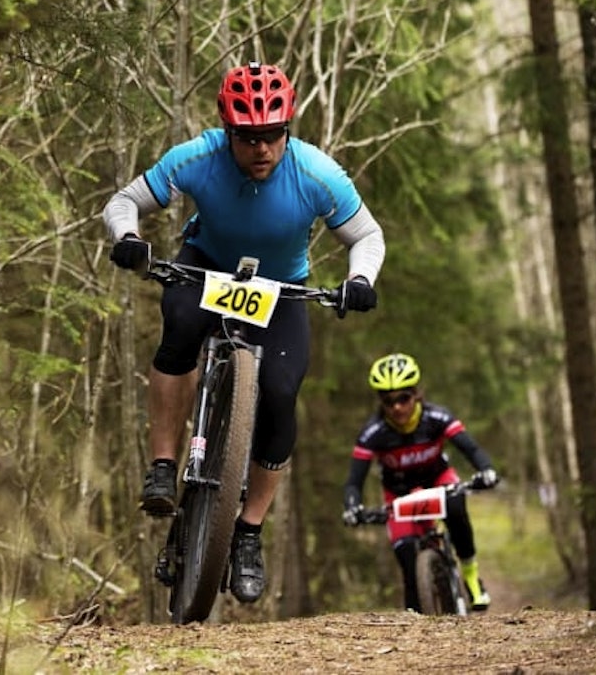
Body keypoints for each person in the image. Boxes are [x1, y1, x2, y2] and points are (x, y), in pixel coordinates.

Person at [103, 61, 385, 605]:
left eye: (273, 135)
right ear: (228, 131)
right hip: (205, 266)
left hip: (281, 290)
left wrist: (360, 278)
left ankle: (248, 533)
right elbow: (124, 201)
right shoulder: (197, 157)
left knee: (280, 393)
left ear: (288, 129)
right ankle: (164, 466)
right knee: (181, 326)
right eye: (249, 137)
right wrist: (129, 236)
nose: (262, 149)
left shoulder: (318, 174)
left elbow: (366, 234)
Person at [341, 352, 500, 612]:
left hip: (438, 480)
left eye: (403, 398)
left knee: (457, 507)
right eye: (388, 401)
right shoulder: (372, 432)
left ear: (416, 394)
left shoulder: (437, 417)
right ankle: (416, 625)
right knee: (406, 557)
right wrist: (352, 506)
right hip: (399, 494)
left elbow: (471, 449)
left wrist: (487, 470)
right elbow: (354, 480)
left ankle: (471, 577)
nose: (397, 408)